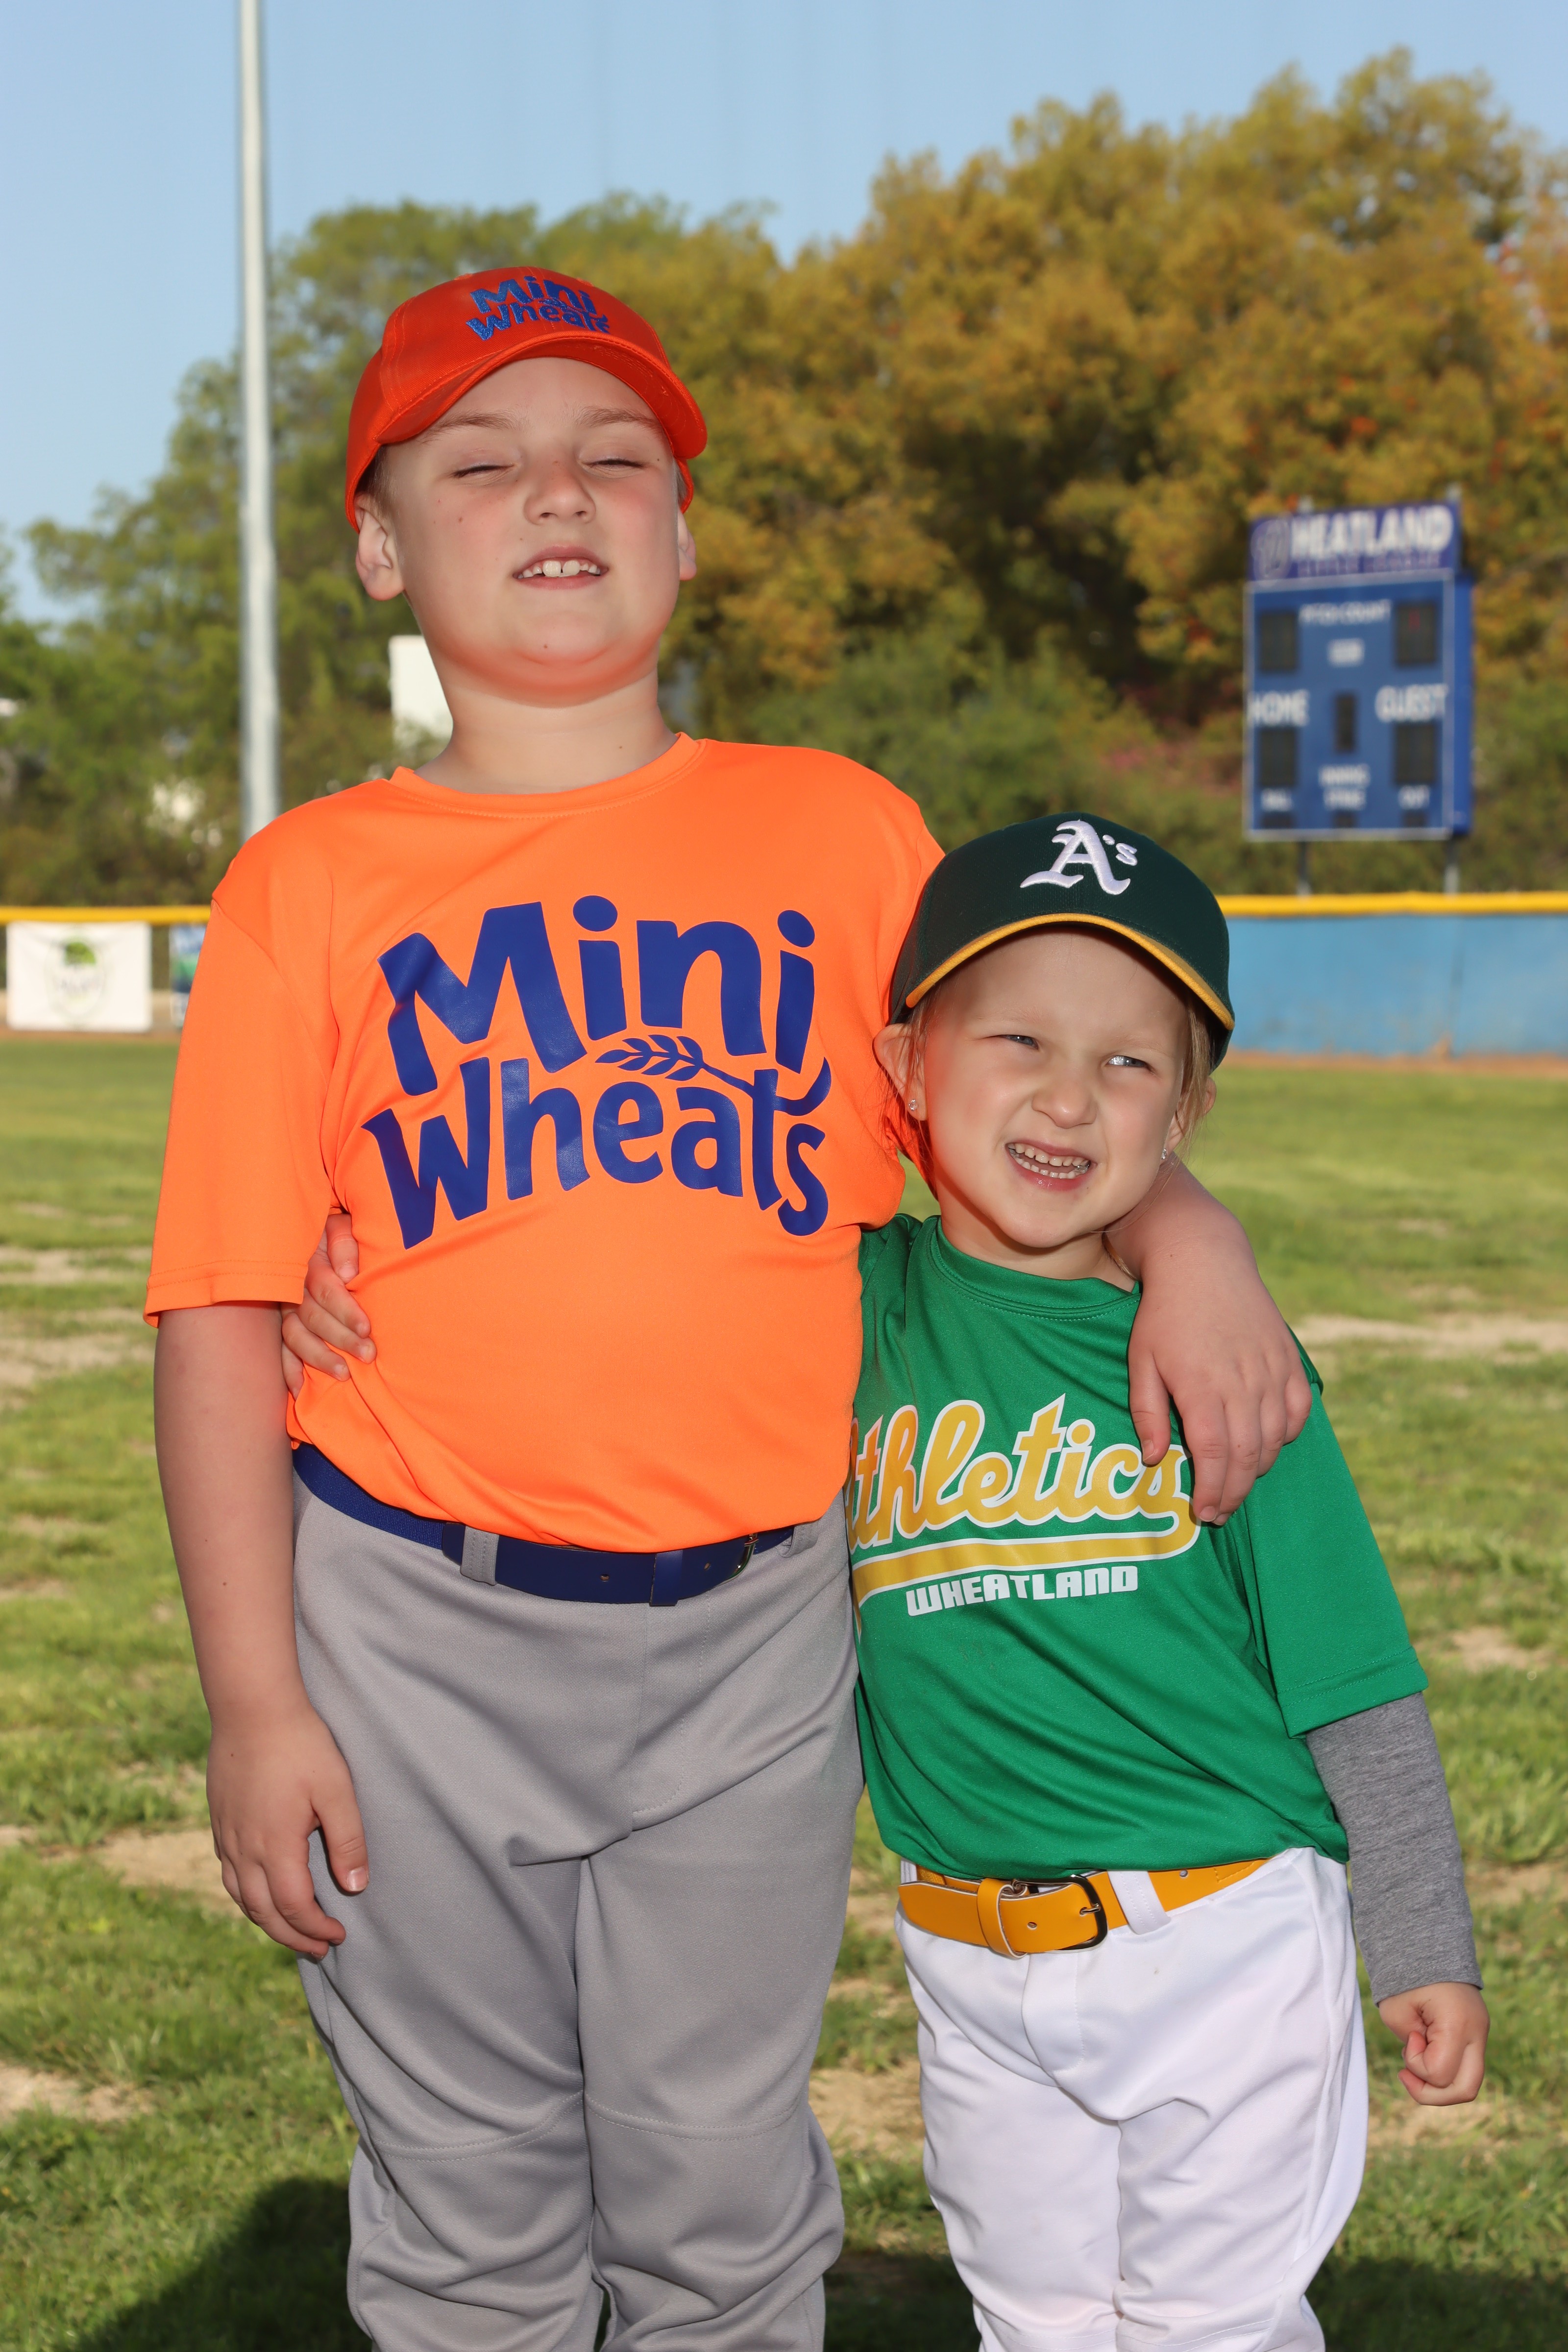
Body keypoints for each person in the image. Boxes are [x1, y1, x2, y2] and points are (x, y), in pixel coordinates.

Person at [148, 266, 1312, 2352]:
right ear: (380, 549)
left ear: (683, 533)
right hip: (409, 1621)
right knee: (468, 2200)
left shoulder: (837, 831)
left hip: (758, 1627)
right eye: (478, 463)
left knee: (717, 2190)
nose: (555, 493)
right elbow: (223, 1315)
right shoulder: (306, 884)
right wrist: (256, 1702)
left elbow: (1035, 1114)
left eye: (614, 458)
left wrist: (1196, 1239)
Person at [850, 812, 1488, 2352]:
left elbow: (1353, 1672)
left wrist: (1420, 1937)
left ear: (1185, 1115)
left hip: (1220, 1936)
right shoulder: (849, 1308)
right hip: (967, 1953)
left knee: (1215, 2327)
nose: (1069, 1095)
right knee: (1035, 2323)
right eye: (1018, 1039)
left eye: (1130, 1063)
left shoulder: (1226, 1359)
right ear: (909, 1065)